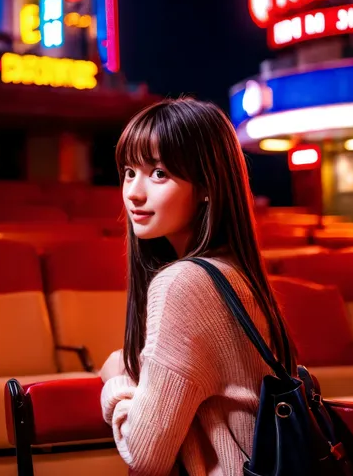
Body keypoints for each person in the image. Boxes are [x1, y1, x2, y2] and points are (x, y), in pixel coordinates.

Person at [99, 97, 296, 476]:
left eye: (158, 173)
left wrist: (117, 381)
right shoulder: (236, 272)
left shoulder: (183, 283)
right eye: (128, 171)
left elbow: (144, 455)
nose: (134, 194)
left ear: (207, 186)